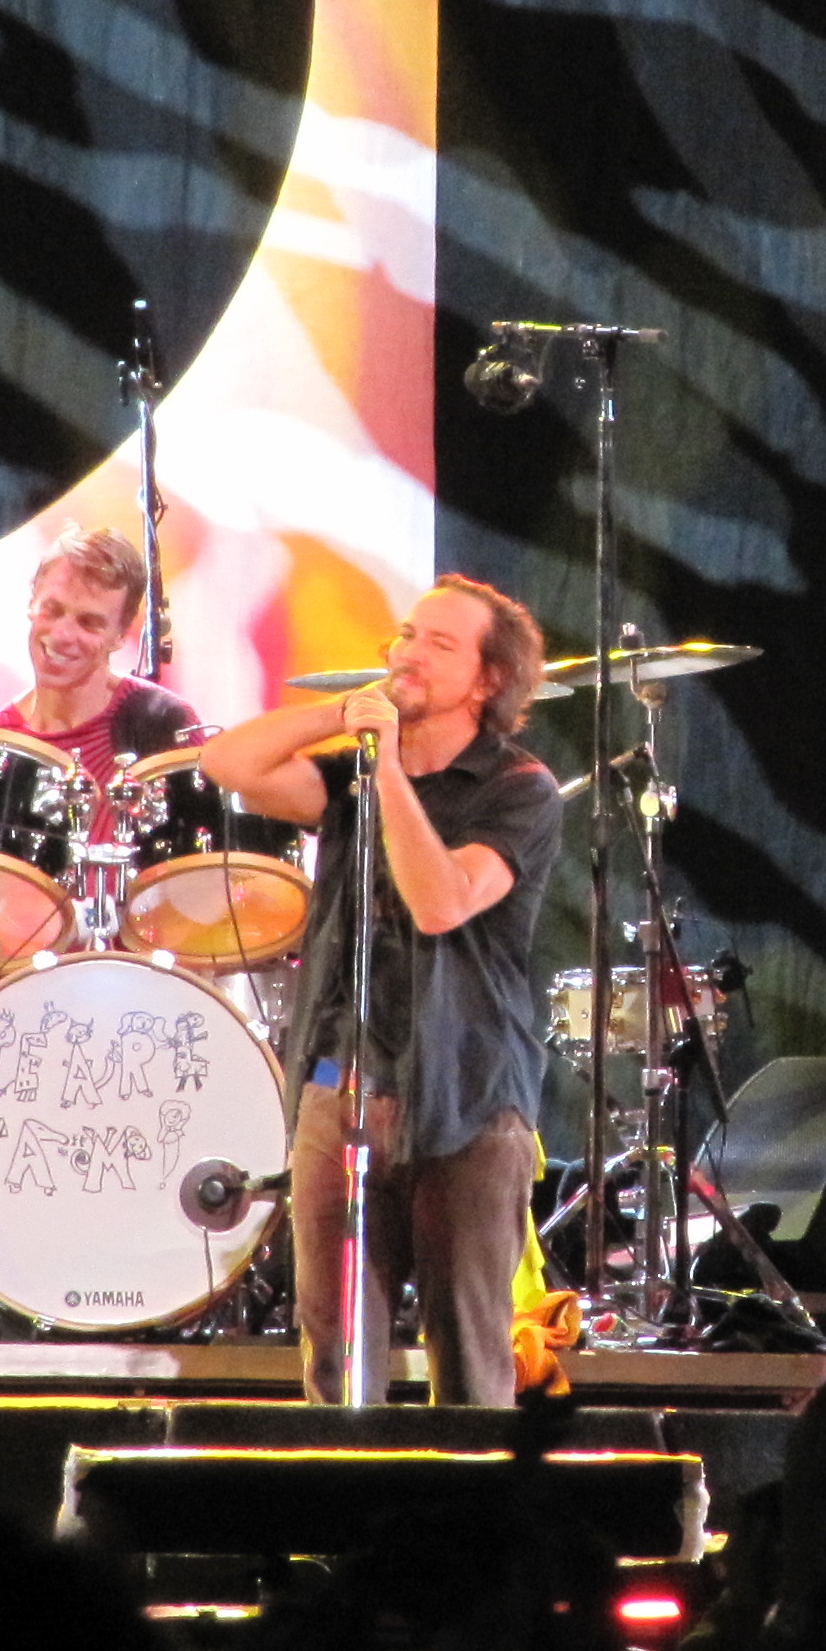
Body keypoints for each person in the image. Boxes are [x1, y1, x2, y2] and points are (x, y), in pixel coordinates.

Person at [200, 577, 562, 1404]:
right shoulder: (348, 777)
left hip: (466, 1098)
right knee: (333, 1353)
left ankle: (473, 1494)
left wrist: (388, 770)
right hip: (343, 1089)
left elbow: (440, 903)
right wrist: (343, 716)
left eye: (439, 643)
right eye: (405, 635)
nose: (408, 653)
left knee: (467, 1355)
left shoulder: (518, 789)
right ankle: (343, 1487)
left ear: (488, 680)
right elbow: (227, 764)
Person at [0, 522, 201, 769]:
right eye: (52, 610)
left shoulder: (166, 726)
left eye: (88, 623)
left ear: (120, 635)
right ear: (32, 602)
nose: (62, 635)